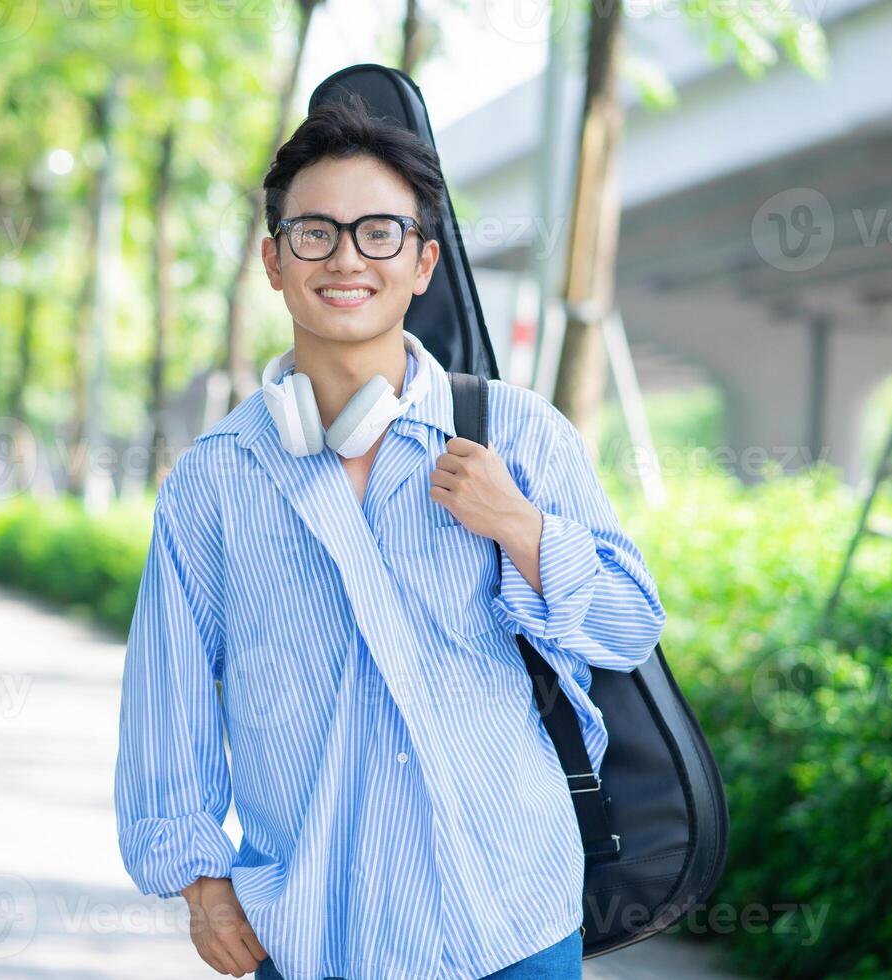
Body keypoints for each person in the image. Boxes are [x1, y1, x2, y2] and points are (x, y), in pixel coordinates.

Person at [114, 95, 665, 980]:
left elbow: (628, 627)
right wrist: (203, 886)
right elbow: (164, 702)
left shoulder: (518, 437)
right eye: (314, 233)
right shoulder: (214, 482)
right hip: (314, 934)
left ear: (421, 264)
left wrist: (521, 528)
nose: (344, 259)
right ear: (272, 260)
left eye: (378, 234)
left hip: (510, 922)